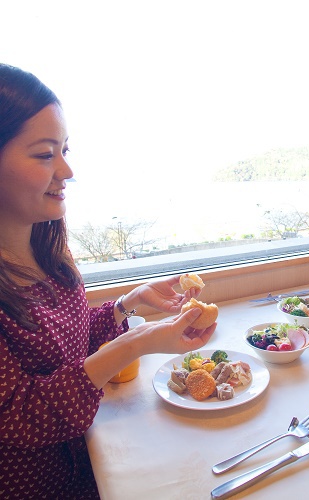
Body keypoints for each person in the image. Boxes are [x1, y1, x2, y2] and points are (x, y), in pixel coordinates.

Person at [0, 63, 217, 498]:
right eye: (45, 154)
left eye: (66, 150)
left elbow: (69, 345)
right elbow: (20, 415)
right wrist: (136, 343)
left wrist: (129, 304)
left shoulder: (46, 250)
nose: (66, 170)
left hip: (91, 464)